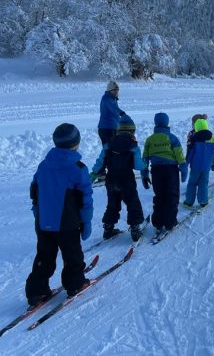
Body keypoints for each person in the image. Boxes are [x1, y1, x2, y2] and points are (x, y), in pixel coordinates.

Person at [25, 123, 93, 306]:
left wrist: (37, 215)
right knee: (72, 255)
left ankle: (36, 291)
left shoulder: (43, 166)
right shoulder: (78, 169)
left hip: (44, 222)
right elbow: (85, 199)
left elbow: (34, 191)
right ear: (75, 143)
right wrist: (86, 222)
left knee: (44, 256)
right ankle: (75, 283)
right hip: (67, 224)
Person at [90, 114, 149, 242]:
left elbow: (100, 162)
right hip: (127, 180)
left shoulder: (108, 144)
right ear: (132, 131)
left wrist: (93, 175)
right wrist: (144, 164)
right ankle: (135, 229)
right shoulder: (133, 145)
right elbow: (138, 166)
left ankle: (108, 228)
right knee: (133, 203)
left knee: (112, 204)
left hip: (111, 179)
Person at [143, 113, 187, 233]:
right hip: (170, 170)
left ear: (156, 123)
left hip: (156, 171)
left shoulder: (150, 140)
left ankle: (158, 223)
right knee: (172, 196)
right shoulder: (172, 138)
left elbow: (145, 159)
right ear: (167, 123)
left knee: (159, 196)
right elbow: (180, 155)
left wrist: (144, 174)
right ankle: (170, 222)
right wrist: (183, 169)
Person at [184, 118, 214, 209]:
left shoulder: (194, 138)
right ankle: (203, 201)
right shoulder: (213, 138)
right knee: (203, 183)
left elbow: (190, 152)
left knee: (192, 183)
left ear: (196, 128)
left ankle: (189, 202)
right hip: (206, 167)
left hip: (195, 166)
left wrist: (185, 163)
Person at [97, 81, 125, 146]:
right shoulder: (107, 98)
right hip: (107, 129)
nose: (116, 92)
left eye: (117, 90)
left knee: (110, 151)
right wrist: (122, 113)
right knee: (111, 150)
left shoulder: (112, 98)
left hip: (111, 128)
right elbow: (114, 109)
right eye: (114, 90)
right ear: (110, 90)